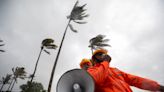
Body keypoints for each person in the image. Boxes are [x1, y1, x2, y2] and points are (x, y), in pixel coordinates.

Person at [85, 49, 164, 92]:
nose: (103, 55)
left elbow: (134, 80)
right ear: (94, 59)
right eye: (100, 54)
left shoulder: (115, 70)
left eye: (104, 54)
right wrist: (106, 62)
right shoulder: (92, 70)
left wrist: (157, 87)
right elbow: (94, 80)